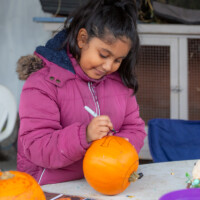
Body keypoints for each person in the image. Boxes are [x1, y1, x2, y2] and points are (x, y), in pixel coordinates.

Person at [16, 0, 146, 185]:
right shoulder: (43, 84)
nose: (109, 66)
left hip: (105, 182)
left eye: (118, 60)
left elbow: (134, 128)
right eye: (103, 55)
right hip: (53, 187)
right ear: (82, 39)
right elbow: (37, 146)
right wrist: (84, 135)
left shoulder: (120, 82)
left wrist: (118, 147)